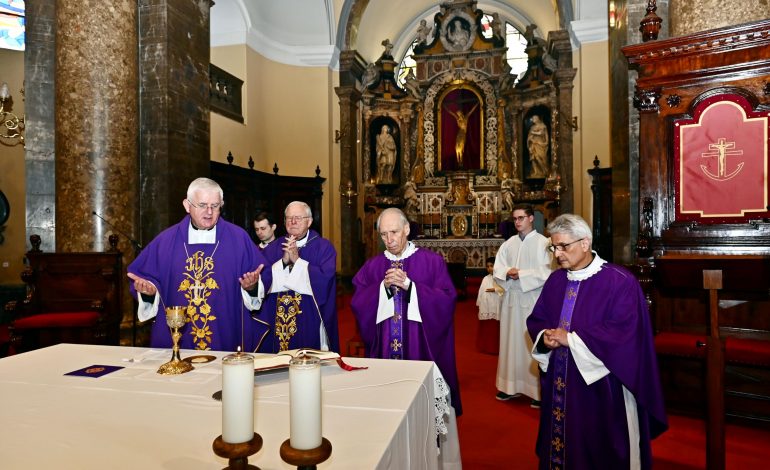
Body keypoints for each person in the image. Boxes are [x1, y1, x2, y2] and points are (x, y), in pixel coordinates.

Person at [527, 214, 668, 469]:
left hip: (603, 386)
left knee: (599, 448)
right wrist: (544, 337)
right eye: (554, 247)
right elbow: (538, 318)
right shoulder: (556, 280)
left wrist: (570, 339)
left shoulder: (619, 281)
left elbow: (624, 333)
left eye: (563, 246)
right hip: (561, 379)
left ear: (585, 243)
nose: (558, 254)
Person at [127, 177, 271, 352]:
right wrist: (150, 292)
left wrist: (252, 287)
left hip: (226, 334)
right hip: (179, 337)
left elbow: (262, 273)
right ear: (187, 206)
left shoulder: (238, 238)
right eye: (202, 205)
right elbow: (145, 277)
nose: (209, 212)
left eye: (215, 206)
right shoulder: (166, 241)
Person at [350, 207, 462, 418]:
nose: (389, 239)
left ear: (407, 229)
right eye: (384, 234)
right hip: (384, 348)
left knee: (421, 411)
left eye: (394, 232)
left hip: (420, 348)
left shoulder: (432, 262)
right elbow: (358, 301)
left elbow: (447, 299)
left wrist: (411, 287)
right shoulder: (372, 266)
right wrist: (382, 288)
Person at [256, 201, 339, 353]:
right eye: (289, 218)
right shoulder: (273, 248)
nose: (293, 222)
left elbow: (324, 281)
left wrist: (298, 262)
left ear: (309, 221)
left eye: (298, 218)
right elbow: (261, 281)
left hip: (308, 320)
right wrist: (283, 262)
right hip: (277, 322)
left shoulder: (323, 247)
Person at [493, 203, 552, 406]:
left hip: (533, 300)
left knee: (530, 344)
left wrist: (522, 274)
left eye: (521, 218)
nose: (517, 222)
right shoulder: (508, 243)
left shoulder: (544, 243)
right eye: (515, 219)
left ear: (530, 218)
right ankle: (510, 387)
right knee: (511, 343)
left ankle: (536, 392)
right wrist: (506, 273)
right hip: (512, 300)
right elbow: (498, 268)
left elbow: (548, 273)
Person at [476, 256, 502, 355]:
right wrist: (480, 303)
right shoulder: (485, 278)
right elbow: (480, 292)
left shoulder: (500, 278)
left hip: (496, 305)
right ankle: (487, 347)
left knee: (495, 329)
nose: (489, 268)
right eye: (487, 266)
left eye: (492, 266)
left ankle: (496, 348)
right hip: (487, 306)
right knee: (487, 328)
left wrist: (495, 289)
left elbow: (504, 289)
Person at [445, 102, 479, 168]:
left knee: (461, 147)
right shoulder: (458, 119)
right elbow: (451, 113)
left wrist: (477, 104)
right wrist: (445, 107)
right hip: (459, 134)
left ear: (462, 113)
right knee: (457, 147)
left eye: (460, 114)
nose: (459, 115)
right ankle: (458, 161)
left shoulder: (466, 118)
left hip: (463, 134)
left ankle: (461, 161)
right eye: (458, 114)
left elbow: (471, 111)